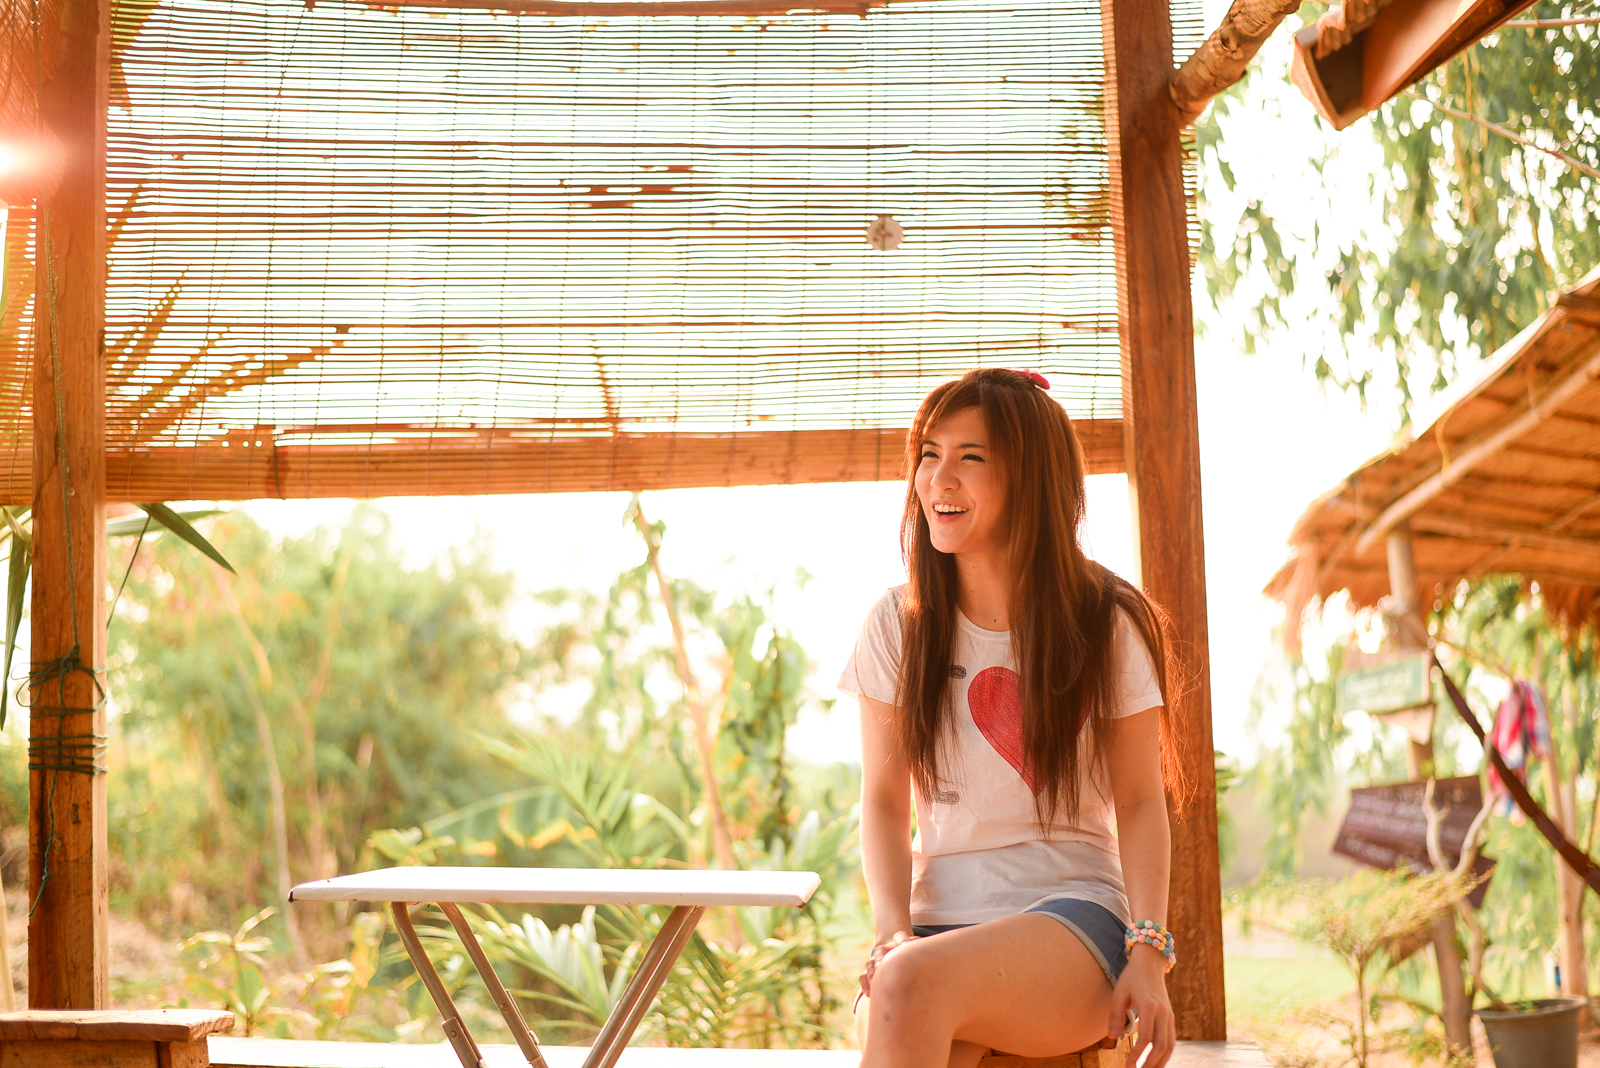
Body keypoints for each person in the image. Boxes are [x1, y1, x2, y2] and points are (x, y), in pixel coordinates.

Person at [839, 368, 1185, 1068]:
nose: (938, 479)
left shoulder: (1105, 619)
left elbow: (1142, 801)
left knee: (910, 988)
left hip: (1073, 919)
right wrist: (891, 935)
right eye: (929, 454)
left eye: (970, 457)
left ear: (1031, 480)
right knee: (911, 990)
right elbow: (883, 804)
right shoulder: (896, 624)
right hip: (930, 932)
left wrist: (1149, 952)